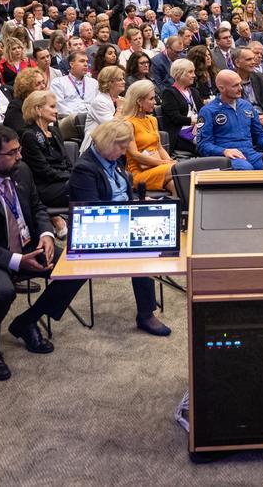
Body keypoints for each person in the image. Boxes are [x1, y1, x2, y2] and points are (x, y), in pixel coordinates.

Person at [0, 126, 86, 381]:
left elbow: (37, 207)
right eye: (13, 152)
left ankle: (27, 321)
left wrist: (46, 235)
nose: (20, 156)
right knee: (3, 292)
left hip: (26, 244)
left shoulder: (20, 171)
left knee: (77, 267)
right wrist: (16, 261)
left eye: (19, 150)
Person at [66, 120, 172, 338]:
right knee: (144, 250)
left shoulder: (113, 159)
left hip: (124, 217)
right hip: (101, 228)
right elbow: (94, 213)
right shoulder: (84, 169)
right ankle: (146, 314)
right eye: (122, 147)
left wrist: (137, 203)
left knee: (163, 229)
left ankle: (147, 303)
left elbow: (124, 192)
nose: (125, 152)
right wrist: (129, 213)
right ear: (107, 144)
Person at [19, 90, 73, 241]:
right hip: (45, 187)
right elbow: (44, 171)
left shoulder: (54, 131)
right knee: (84, 187)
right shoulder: (29, 135)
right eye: (52, 107)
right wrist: (72, 177)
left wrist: (74, 174)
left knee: (88, 183)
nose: (56, 111)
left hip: (62, 181)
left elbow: (67, 161)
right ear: (38, 109)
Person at [196, 70, 263, 170]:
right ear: (221, 88)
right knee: (245, 168)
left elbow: (259, 134)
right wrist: (224, 151)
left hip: (250, 153)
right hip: (225, 157)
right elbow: (203, 145)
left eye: (240, 84)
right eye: (235, 86)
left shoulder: (246, 105)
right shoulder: (208, 111)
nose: (240, 88)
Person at [116, 80, 176, 196]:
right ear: (139, 101)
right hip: (139, 173)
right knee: (178, 170)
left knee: (176, 183)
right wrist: (163, 163)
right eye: (151, 99)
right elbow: (135, 154)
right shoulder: (128, 123)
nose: (155, 102)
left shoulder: (152, 120)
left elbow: (159, 148)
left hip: (157, 167)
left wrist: (169, 161)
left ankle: (182, 211)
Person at [161, 58, 200, 155]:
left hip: (198, 129)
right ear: (179, 74)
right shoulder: (169, 93)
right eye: (190, 72)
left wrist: (198, 124)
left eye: (194, 72)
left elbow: (203, 111)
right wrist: (194, 121)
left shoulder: (194, 91)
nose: (194, 75)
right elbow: (175, 118)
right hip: (180, 133)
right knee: (205, 145)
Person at [80, 65, 125, 144]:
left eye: (123, 79)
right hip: (97, 145)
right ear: (109, 82)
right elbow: (112, 127)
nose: (124, 82)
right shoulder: (99, 102)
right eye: (119, 80)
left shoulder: (121, 99)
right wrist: (120, 109)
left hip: (117, 142)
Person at [50, 50, 96, 119]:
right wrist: (79, 118)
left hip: (92, 119)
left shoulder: (94, 83)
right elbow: (60, 108)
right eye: (82, 61)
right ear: (71, 64)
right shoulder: (58, 83)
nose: (86, 64)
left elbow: (99, 103)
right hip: (70, 121)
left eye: (87, 61)